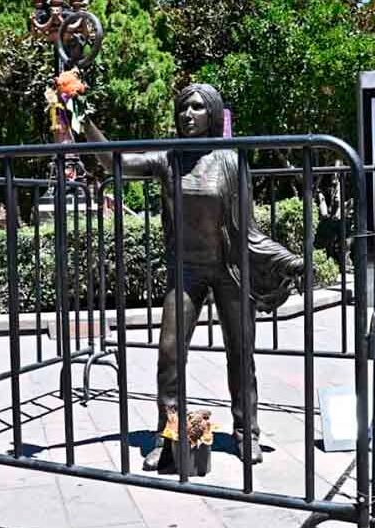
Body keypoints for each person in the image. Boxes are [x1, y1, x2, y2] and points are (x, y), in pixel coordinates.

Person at [83, 84, 303, 469]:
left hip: (229, 269)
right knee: (169, 353)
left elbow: (248, 228)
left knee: (241, 353)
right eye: (183, 107)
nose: (188, 114)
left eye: (198, 107)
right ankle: (167, 436)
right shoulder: (169, 158)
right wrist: (82, 117)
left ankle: (245, 430)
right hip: (185, 271)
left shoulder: (230, 161)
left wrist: (286, 259)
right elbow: (113, 162)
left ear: (213, 114)